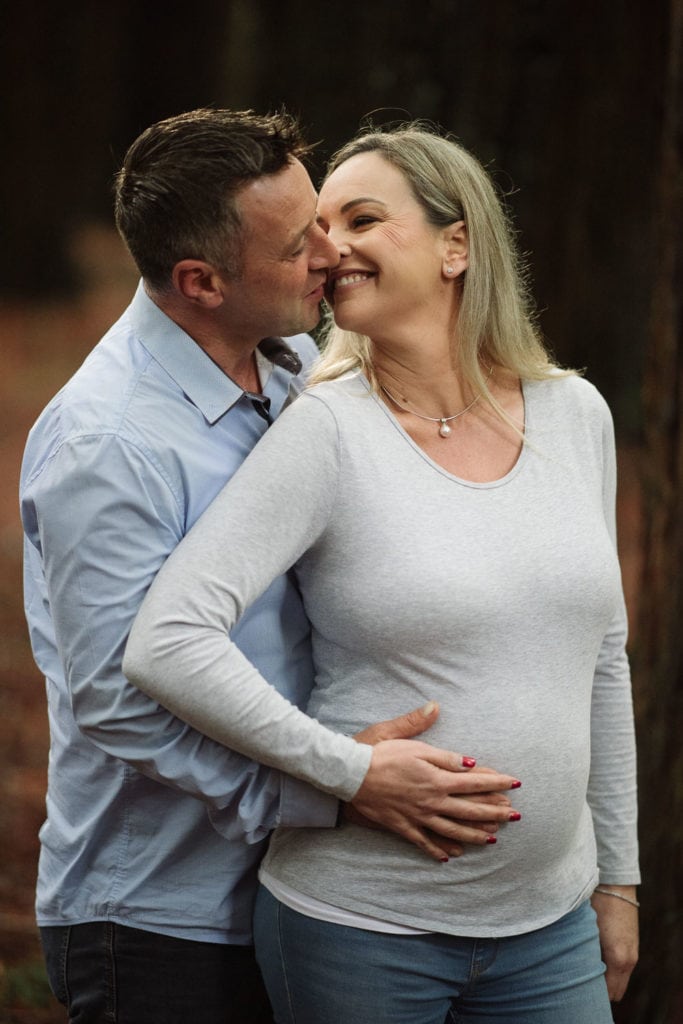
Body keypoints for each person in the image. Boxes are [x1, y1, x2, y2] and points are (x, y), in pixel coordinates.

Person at [124, 122, 640, 1023]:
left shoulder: (575, 414)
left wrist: (619, 881)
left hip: (551, 926)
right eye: (321, 227)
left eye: (363, 218)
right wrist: (343, 773)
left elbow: (602, 659)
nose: (333, 249)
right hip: (358, 930)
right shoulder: (328, 432)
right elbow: (167, 642)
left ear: (456, 245)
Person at [20, 109, 521, 1024]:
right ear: (200, 281)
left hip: (299, 898)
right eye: (298, 245)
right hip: (157, 919)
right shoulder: (110, 444)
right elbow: (115, 699)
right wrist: (329, 786)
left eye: (325, 221)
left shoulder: (294, 368)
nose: (329, 254)